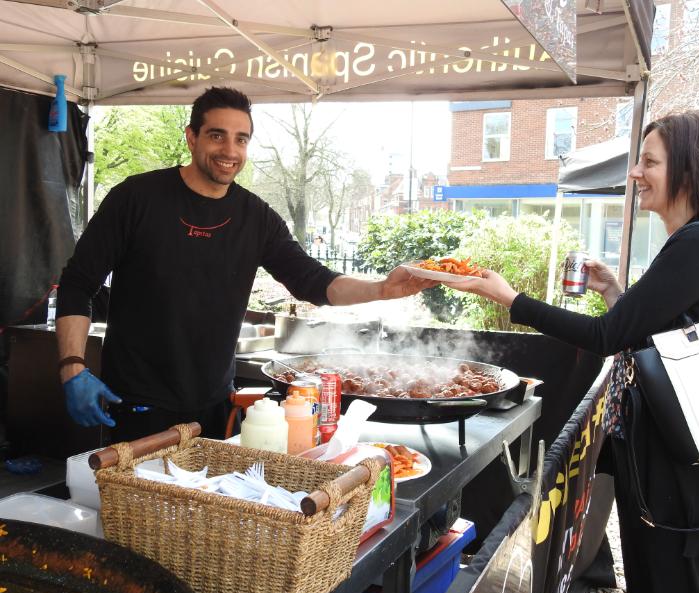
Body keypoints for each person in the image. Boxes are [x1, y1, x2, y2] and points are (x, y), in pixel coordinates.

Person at [443, 110, 699, 593]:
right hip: (674, 459)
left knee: (673, 583)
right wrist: (616, 293)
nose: (635, 173)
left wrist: (511, 300)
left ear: (688, 169)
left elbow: (606, 336)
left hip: (677, 465)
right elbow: (651, 333)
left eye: (650, 161)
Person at [55, 86, 434, 442]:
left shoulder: (257, 217)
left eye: (241, 139)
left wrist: (384, 289)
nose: (229, 150)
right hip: (138, 406)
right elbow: (78, 283)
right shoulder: (135, 199)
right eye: (217, 135)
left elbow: (314, 282)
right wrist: (72, 366)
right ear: (192, 137)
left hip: (214, 406)